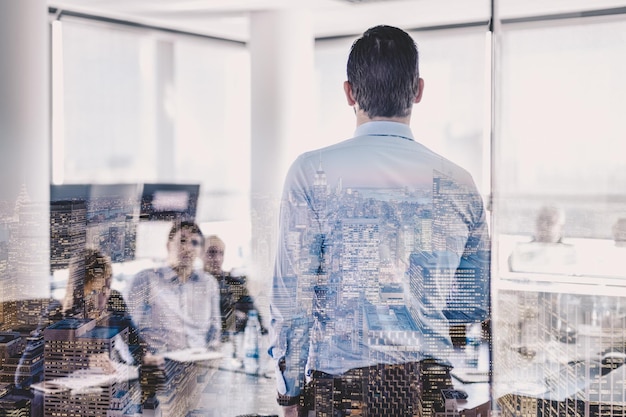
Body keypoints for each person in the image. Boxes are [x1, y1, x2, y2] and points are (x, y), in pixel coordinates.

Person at [269, 25, 490, 417]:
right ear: (418, 90)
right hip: (427, 385)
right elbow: (471, 304)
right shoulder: (460, 182)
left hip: (339, 388)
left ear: (349, 92)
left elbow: (293, 302)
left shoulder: (310, 171)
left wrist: (289, 394)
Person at [127, 220, 221, 357]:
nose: (188, 248)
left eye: (194, 243)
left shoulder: (209, 283)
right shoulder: (145, 280)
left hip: (200, 364)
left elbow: (215, 331)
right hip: (159, 365)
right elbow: (126, 331)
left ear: (200, 250)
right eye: (182, 241)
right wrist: (140, 364)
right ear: (168, 245)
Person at [203, 234, 267, 339]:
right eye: (212, 252)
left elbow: (256, 319)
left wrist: (235, 319)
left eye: (221, 253)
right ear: (201, 254)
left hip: (234, 342)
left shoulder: (233, 283)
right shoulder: (195, 285)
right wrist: (235, 316)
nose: (217, 259)